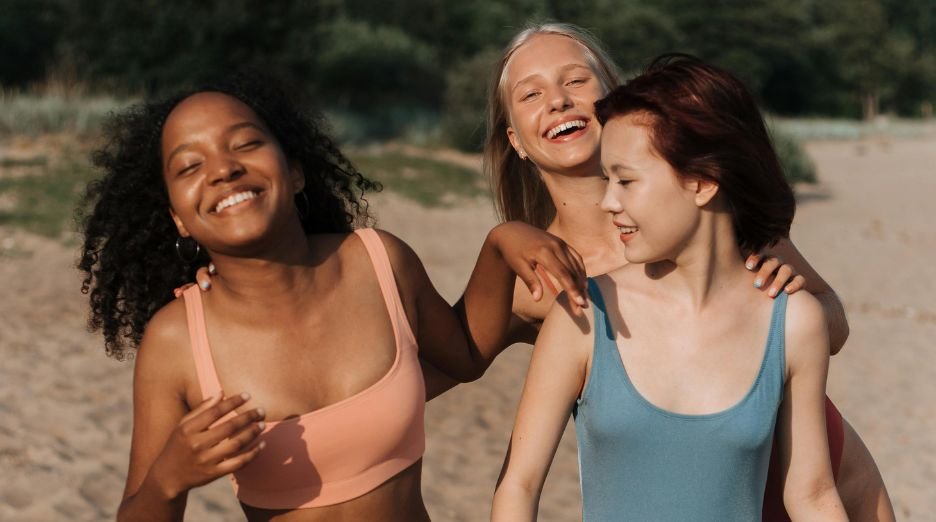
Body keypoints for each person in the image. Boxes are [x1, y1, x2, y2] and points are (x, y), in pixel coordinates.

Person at [77, 72, 588, 521]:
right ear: (179, 219)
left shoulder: (380, 263)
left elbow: (466, 355)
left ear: (295, 171)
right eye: (189, 166)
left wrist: (500, 245)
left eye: (245, 144)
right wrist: (170, 479)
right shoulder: (176, 343)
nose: (222, 169)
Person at [483, 23, 893, 521]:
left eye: (575, 81)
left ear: (614, 95)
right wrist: (499, 241)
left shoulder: (732, 225)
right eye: (532, 93)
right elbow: (453, 379)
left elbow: (826, 330)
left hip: (820, 470)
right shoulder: (556, 291)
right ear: (515, 139)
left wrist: (788, 300)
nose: (558, 101)